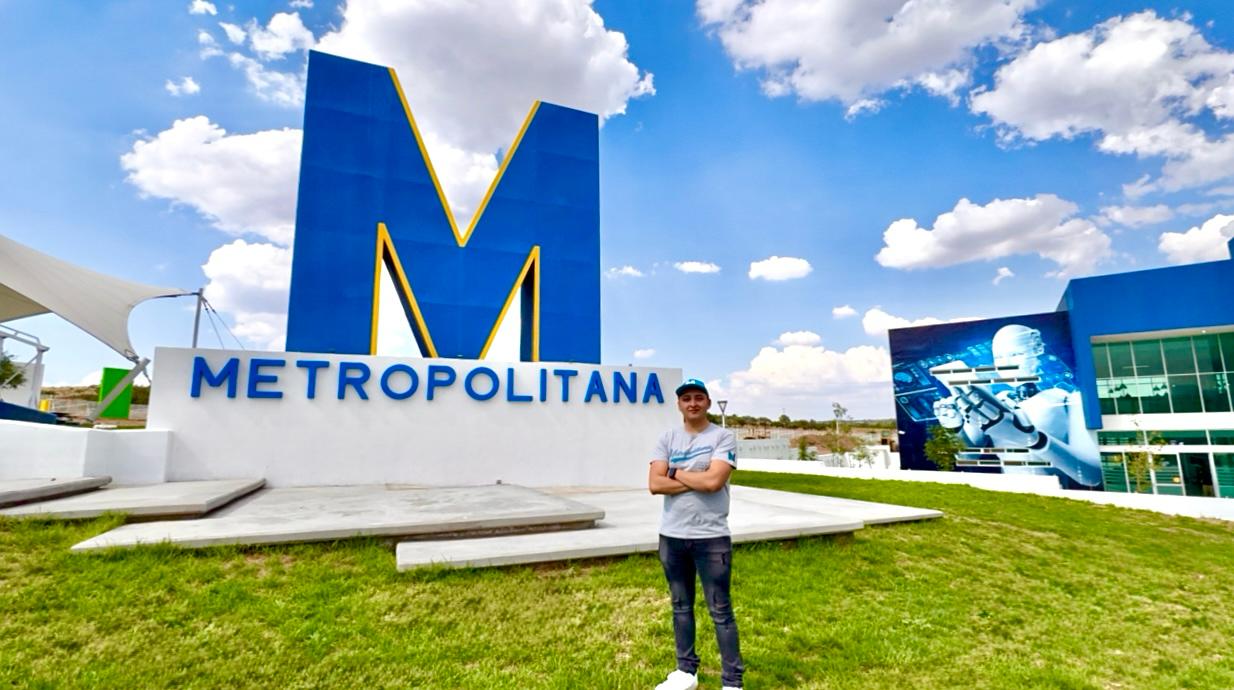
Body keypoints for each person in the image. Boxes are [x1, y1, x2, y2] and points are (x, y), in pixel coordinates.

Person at [648, 378, 743, 690]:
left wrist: (674, 472)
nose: (692, 403)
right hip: (672, 536)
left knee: (721, 610)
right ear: (679, 404)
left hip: (711, 537)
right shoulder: (667, 438)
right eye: (686, 398)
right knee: (680, 606)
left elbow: (714, 482)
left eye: (698, 398)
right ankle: (686, 672)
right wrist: (697, 476)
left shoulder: (723, 437)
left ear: (708, 403)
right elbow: (655, 484)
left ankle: (732, 682)